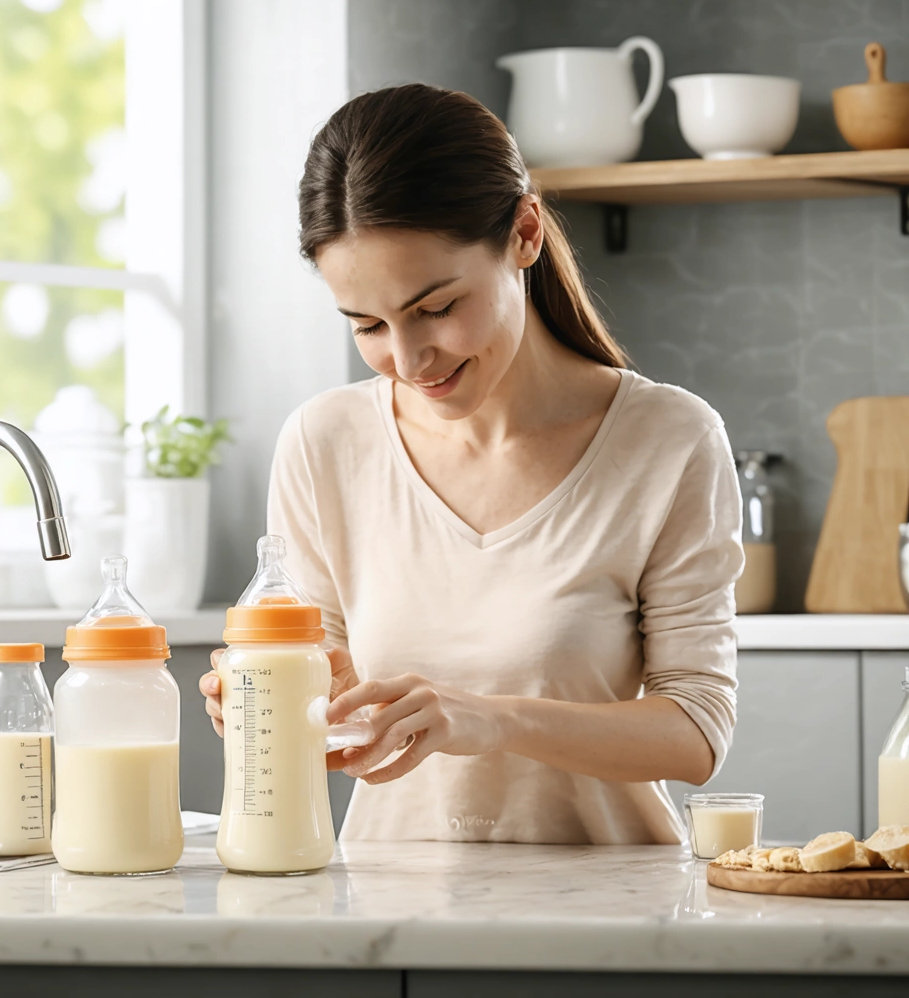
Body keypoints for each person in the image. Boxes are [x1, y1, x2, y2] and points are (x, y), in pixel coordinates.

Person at [199, 84, 744, 844]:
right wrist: (269, 704)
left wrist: (489, 718)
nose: (409, 358)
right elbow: (326, 683)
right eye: (368, 324)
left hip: (614, 912)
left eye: (435, 308)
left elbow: (696, 732)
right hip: (383, 910)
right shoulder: (324, 443)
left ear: (524, 232)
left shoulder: (668, 440)